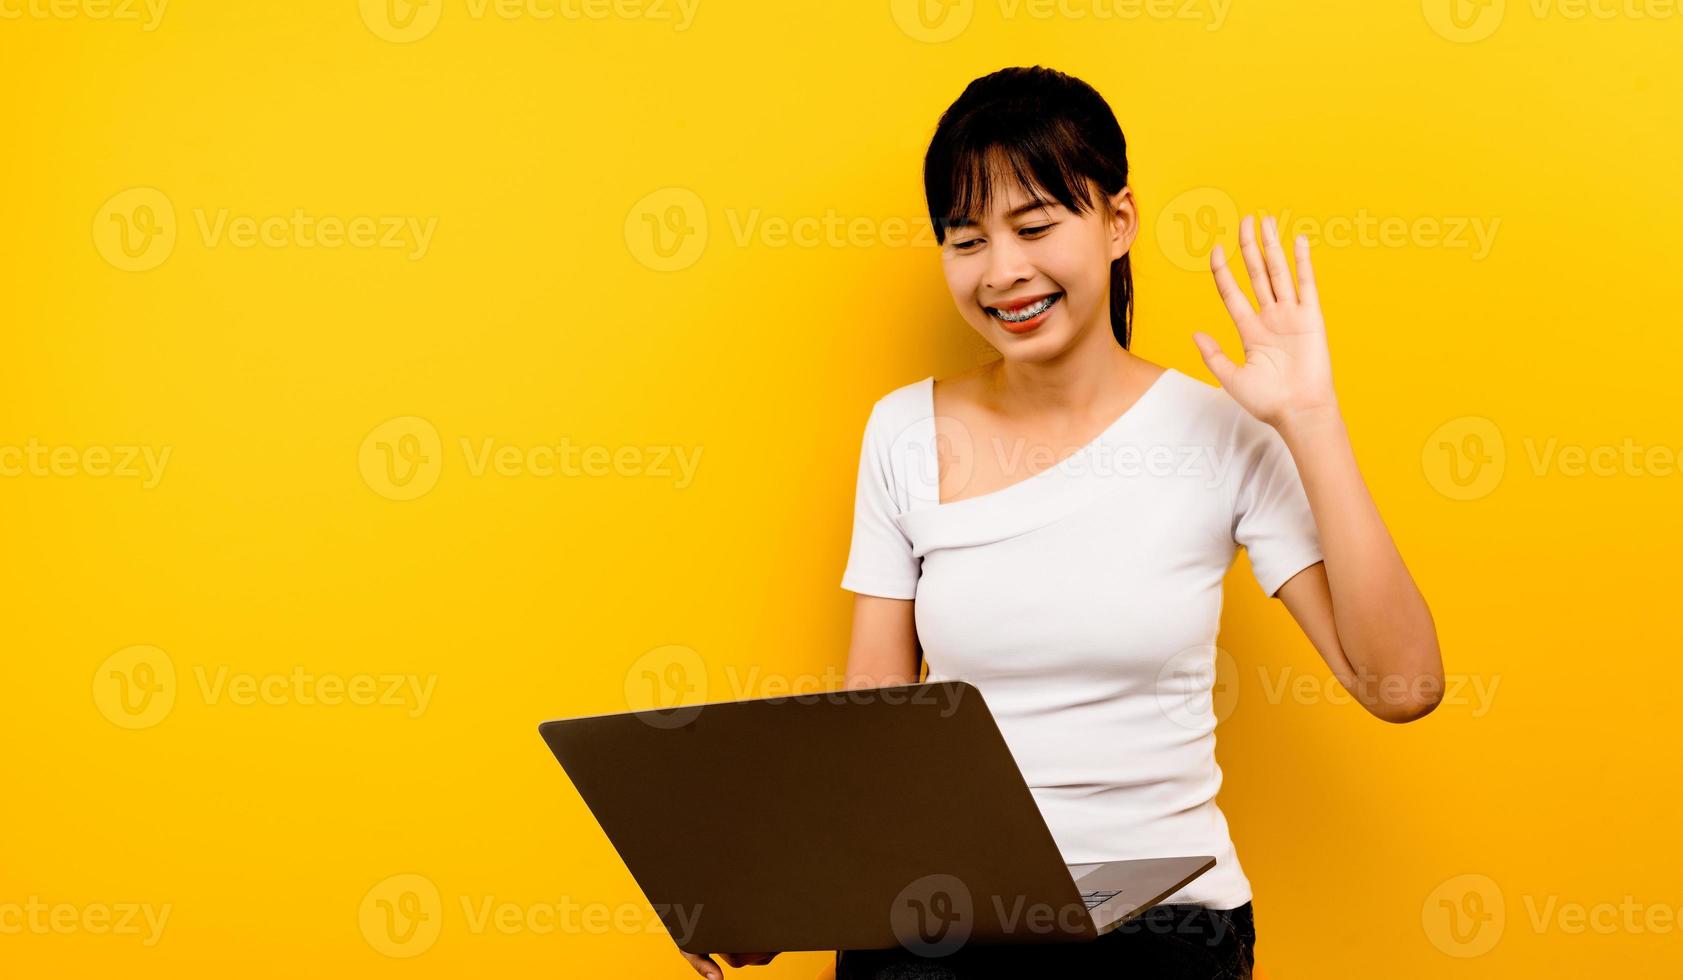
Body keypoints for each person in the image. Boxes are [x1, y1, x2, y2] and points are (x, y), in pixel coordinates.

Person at [681, 64, 1443, 980]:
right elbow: (874, 732)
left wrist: (1310, 420)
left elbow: (1401, 689)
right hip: (939, 923)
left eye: (1035, 226)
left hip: (1159, 927)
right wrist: (793, 897)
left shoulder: (1221, 431)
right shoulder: (901, 432)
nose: (1004, 271)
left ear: (1116, 223)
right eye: (966, 240)